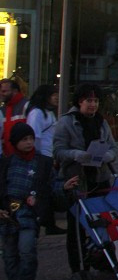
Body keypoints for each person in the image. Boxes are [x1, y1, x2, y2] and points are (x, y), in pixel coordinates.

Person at [0, 123, 78, 280]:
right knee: (10, 254)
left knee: (27, 250)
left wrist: (63, 187)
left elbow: (52, 186)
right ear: (15, 142)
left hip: (29, 215)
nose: (28, 143)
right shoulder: (6, 163)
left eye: (30, 139)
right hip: (8, 216)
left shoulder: (42, 163)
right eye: (24, 140)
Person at [53, 83, 118, 274]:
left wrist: (107, 156)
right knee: (76, 228)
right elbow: (57, 151)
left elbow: (113, 148)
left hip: (99, 178)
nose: (93, 105)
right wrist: (75, 154)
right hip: (78, 180)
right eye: (89, 100)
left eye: (96, 101)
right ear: (80, 101)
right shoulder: (67, 122)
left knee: (102, 222)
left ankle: (103, 261)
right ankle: (78, 268)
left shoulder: (102, 122)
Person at [25, 85, 64, 235]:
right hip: (42, 157)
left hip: (48, 156)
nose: (56, 97)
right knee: (43, 191)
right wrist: (38, 157)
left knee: (47, 190)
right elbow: (36, 137)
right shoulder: (37, 113)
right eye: (53, 94)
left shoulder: (49, 113)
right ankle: (44, 221)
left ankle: (48, 222)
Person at [1, 79, 27, 156]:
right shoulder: (3, 110)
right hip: (7, 157)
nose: (1, 94)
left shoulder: (26, 106)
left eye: (4, 91)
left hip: (24, 156)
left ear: (15, 91)